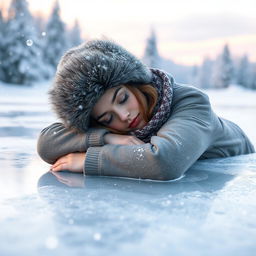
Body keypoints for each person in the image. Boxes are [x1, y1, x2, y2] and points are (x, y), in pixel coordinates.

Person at [37, 39, 255, 181]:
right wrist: (109, 138)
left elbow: (165, 162)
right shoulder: (109, 126)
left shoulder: (191, 102)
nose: (124, 116)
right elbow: (47, 144)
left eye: (122, 98)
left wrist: (88, 159)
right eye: (108, 117)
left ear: (134, 82)